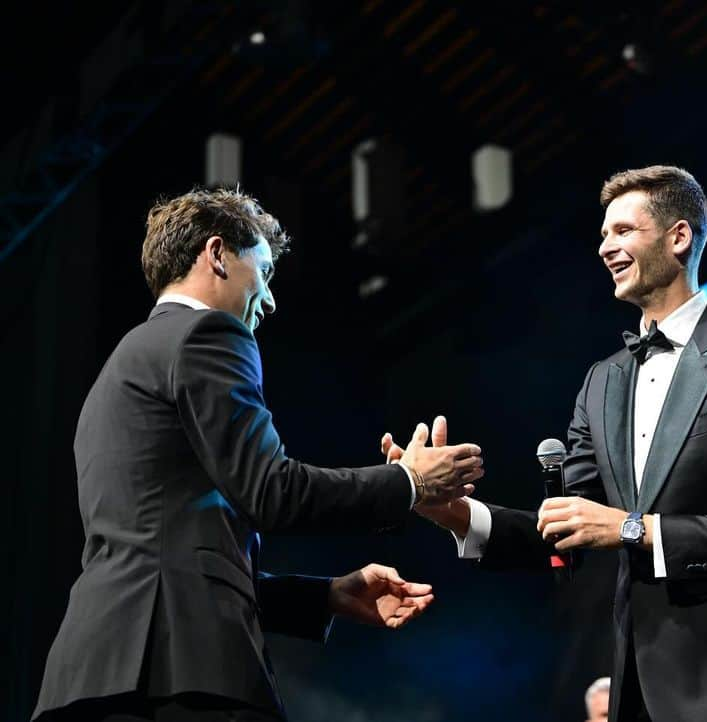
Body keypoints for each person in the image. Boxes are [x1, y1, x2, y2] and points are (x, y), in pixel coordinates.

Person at [389, 166, 707, 721]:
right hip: (639, 690)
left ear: (679, 237)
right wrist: (454, 514)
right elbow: (566, 531)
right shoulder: (603, 382)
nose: (605, 247)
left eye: (622, 231)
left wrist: (633, 529)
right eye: (602, 235)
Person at [33, 188, 485, 721]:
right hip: (180, 678)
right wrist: (410, 483)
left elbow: (175, 554)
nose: (268, 300)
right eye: (264, 272)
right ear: (217, 253)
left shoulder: (121, 367)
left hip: (94, 677)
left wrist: (326, 597)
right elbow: (272, 492)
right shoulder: (208, 334)